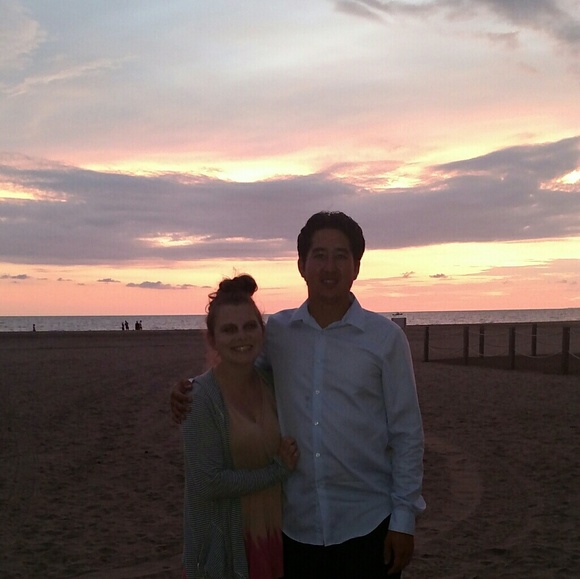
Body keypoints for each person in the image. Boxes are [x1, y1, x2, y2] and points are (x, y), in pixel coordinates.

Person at [172, 212, 425, 578]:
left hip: (369, 523)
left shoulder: (385, 339)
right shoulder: (279, 332)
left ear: (356, 267)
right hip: (294, 530)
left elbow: (407, 434)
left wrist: (404, 519)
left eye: (341, 256)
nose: (329, 266)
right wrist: (189, 389)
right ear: (301, 265)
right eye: (319, 255)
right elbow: (236, 370)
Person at [181, 274, 299, 579]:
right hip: (227, 544)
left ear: (262, 331)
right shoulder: (199, 398)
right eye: (229, 330)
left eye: (249, 326)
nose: (241, 337)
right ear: (212, 339)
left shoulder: (272, 384)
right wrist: (278, 471)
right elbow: (208, 483)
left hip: (274, 536)